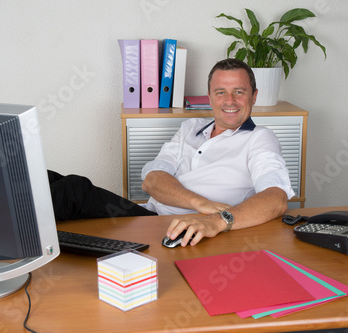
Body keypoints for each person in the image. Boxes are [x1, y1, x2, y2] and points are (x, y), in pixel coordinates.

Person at [48, 58, 294, 246]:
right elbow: (152, 180)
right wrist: (202, 204)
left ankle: (11, 243)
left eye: (239, 92)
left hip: (189, 231)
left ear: (254, 96)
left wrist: (216, 220)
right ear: (210, 98)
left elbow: (276, 199)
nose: (229, 101)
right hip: (149, 217)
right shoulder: (191, 128)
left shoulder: (260, 138)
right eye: (221, 92)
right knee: (49, 179)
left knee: (73, 191)